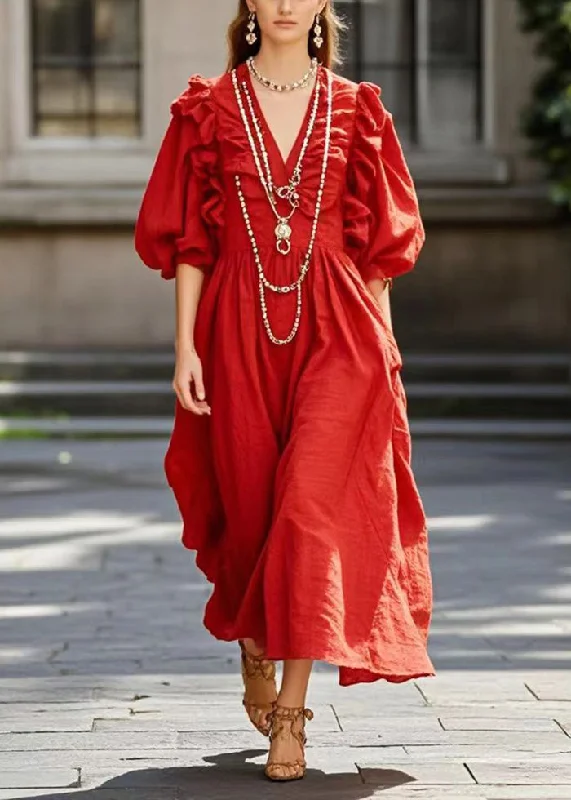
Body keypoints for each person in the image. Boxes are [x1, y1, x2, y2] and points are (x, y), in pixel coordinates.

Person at [135, 0, 434, 783]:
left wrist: (387, 351)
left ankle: (293, 718)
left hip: (340, 328)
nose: (283, 1)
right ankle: (255, 640)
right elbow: (191, 240)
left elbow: (379, 249)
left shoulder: (358, 109)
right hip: (236, 328)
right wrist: (184, 346)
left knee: (307, 512)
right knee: (251, 515)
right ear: (248, 5)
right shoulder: (206, 108)